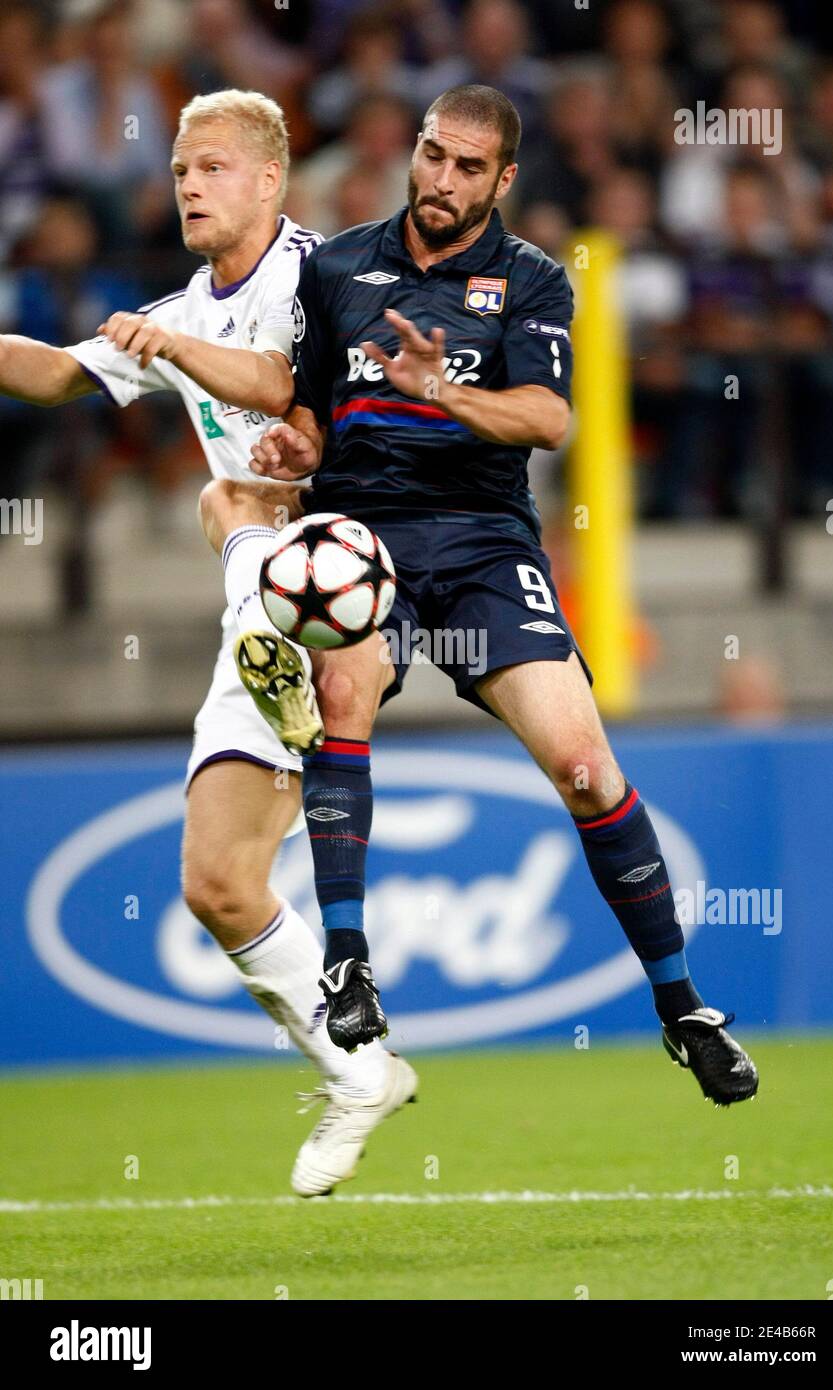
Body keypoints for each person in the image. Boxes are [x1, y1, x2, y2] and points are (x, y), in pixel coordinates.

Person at [201, 84, 759, 1107]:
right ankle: (347, 964)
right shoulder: (335, 269)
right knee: (343, 695)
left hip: (483, 545)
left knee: (587, 765)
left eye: (467, 167)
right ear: (413, 152)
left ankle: (679, 1006)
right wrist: (295, 442)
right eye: (430, 155)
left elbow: (547, 419)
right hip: (363, 538)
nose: (441, 180)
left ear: (501, 181)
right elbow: (308, 412)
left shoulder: (533, 280)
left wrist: (440, 390)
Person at [0, 88, 417, 1197]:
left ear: (271, 181)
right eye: (182, 167)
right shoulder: (183, 305)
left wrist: (174, 348)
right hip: (265, 602)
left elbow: (281, 384)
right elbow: (50, 375)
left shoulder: (321, 275)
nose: (189, 183)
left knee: (230, 508)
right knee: (219, 883)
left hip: (349, 574)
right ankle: (359, 1067)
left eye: (215, 167)